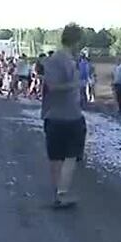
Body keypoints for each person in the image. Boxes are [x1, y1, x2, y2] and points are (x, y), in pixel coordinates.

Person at [41, 24, 87, 209]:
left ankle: (58, 193)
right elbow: (52, 86)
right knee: (70, 157)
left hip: (53, 116)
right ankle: (62, 193)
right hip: (69, 116)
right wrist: (75, 84)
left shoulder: (58, 59)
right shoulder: (60, 60)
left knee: (56, 157)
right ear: (76, 41)